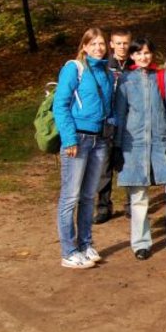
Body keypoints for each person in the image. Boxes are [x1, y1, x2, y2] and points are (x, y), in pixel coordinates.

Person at [114, 38, 166, 260]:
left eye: (147, 53)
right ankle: (141, 243)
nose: (143, 57)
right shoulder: (125, 80)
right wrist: (117, 146)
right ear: (131, 56)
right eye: (139, 53)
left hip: (161, 143)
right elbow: (121, 115)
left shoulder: (161, 77)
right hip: (134, 146)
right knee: (139, 195)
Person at [54, 28, 115, 269]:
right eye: (94, 44)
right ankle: (68, 251)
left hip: (99, 140)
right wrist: (68, 138)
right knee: (70, 196)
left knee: (89, 196)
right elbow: (61, 105)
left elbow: (107, 107)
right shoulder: (74, 68)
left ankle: (85, 244)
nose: (99, 48)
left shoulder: (107, 73)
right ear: (85, 46)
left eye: (102, 44)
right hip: (77, 140)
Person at [94, 28, 131, 224]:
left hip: (130, 122)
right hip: (108, 120)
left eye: (125, 43)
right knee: (104, 165)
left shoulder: (134, 63)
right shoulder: (104, 66)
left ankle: (131, 204)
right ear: (111, 44)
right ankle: (103, 206)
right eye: (118, 43)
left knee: (128, 163)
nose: (122, 47)